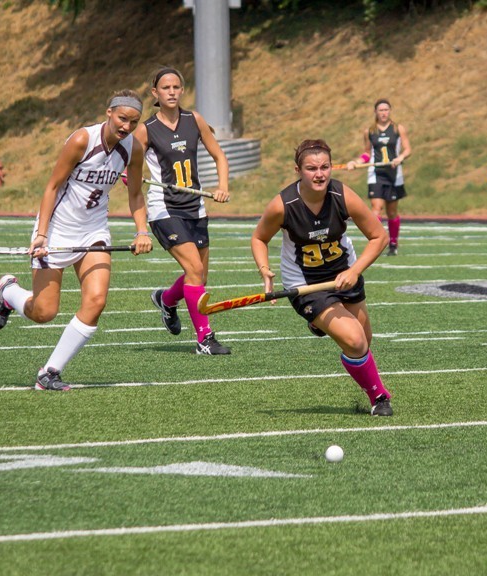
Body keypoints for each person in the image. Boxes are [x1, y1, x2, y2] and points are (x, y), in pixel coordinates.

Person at [0, 90, 154, 391]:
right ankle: (9, 293)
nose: (126, 127)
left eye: (133, 122)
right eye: (122, 119)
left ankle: (49, 372)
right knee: (44, 312)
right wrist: (41, 234)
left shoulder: (134, 149)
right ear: (109, 113)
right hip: (57, 229)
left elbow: (135, 193)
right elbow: (52, 187)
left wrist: (142, 230)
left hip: (94, 229)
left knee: (96, 300)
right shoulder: (81, 141)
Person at [251, 139, 394, 416]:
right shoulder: (283, 205)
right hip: (306, 286)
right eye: (311, 168)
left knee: (364, 342)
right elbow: (259, 238)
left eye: (325, 167)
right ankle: (379, 397)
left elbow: (379, 236)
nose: (319, 174)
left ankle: (321, 324)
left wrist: (354, 271)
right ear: (298, 170)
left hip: (345, 274)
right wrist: (264, 269)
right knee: (354, 341)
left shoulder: (342, 195)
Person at [133, 66, 232, 355]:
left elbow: (219, 156)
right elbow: (129, 164)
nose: (172, 92)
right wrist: (129, 174)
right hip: (164, 208)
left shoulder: (194, 120)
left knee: (199, 277)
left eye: (176, 87)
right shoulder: (146, 130)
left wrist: (222, 185)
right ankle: (204, 338)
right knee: (194, 270)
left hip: (195, 206)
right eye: (166, 88)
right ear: (155, 93)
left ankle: (166, 299)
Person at [347, 98, 411, 256]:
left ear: (390, 111)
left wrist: (400, 158)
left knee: (392, 212)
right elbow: (367, 154)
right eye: (381, 110)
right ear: (375, 112)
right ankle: (376, 240)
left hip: (394, 175)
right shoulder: (370, 131)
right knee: (376, 208)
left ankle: (393, 243)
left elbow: (407, 149)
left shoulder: (398, 129)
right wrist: (355, 162)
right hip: (376, 175)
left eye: (386, 110)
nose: (384, 113)